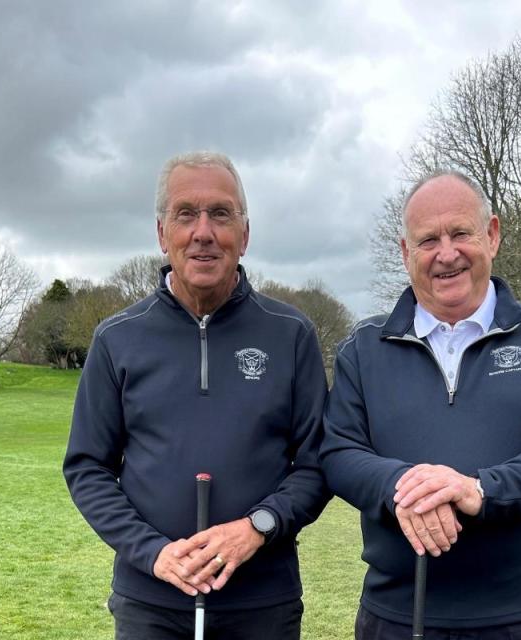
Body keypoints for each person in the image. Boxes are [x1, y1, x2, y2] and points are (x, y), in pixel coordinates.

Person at [321, 171, 521, 639]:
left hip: (520, 618)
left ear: (491, 235)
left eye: (460, 233)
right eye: (428, 240)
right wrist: (405, 488)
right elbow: (338, 452)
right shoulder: (363, 347)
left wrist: (480, 490)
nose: (446, 253)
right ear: (405, 253)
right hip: (397, 617)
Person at [64, 151, 330, 640]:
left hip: (263, 605)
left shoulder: (290, 333)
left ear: (244, 235)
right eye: (186, 214)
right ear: (163, 234)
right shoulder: (117, 337)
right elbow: (87, 467)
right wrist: (153, 553)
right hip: (151, 604)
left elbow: (317, 464)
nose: (203, 231)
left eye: (221, 214)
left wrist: (258, 527)